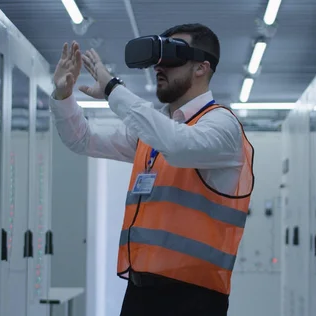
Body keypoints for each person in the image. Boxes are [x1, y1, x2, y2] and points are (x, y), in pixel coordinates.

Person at [50, 23, 254, 316]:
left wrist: (113, 89)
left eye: (172, 57)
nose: (160, 67)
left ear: (201, 68)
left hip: (194, 300)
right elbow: (83, 140)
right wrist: (63, 96)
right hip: (141, 292)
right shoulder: (153, 130)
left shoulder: (223, 127)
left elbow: (179, 145)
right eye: (158, 58)